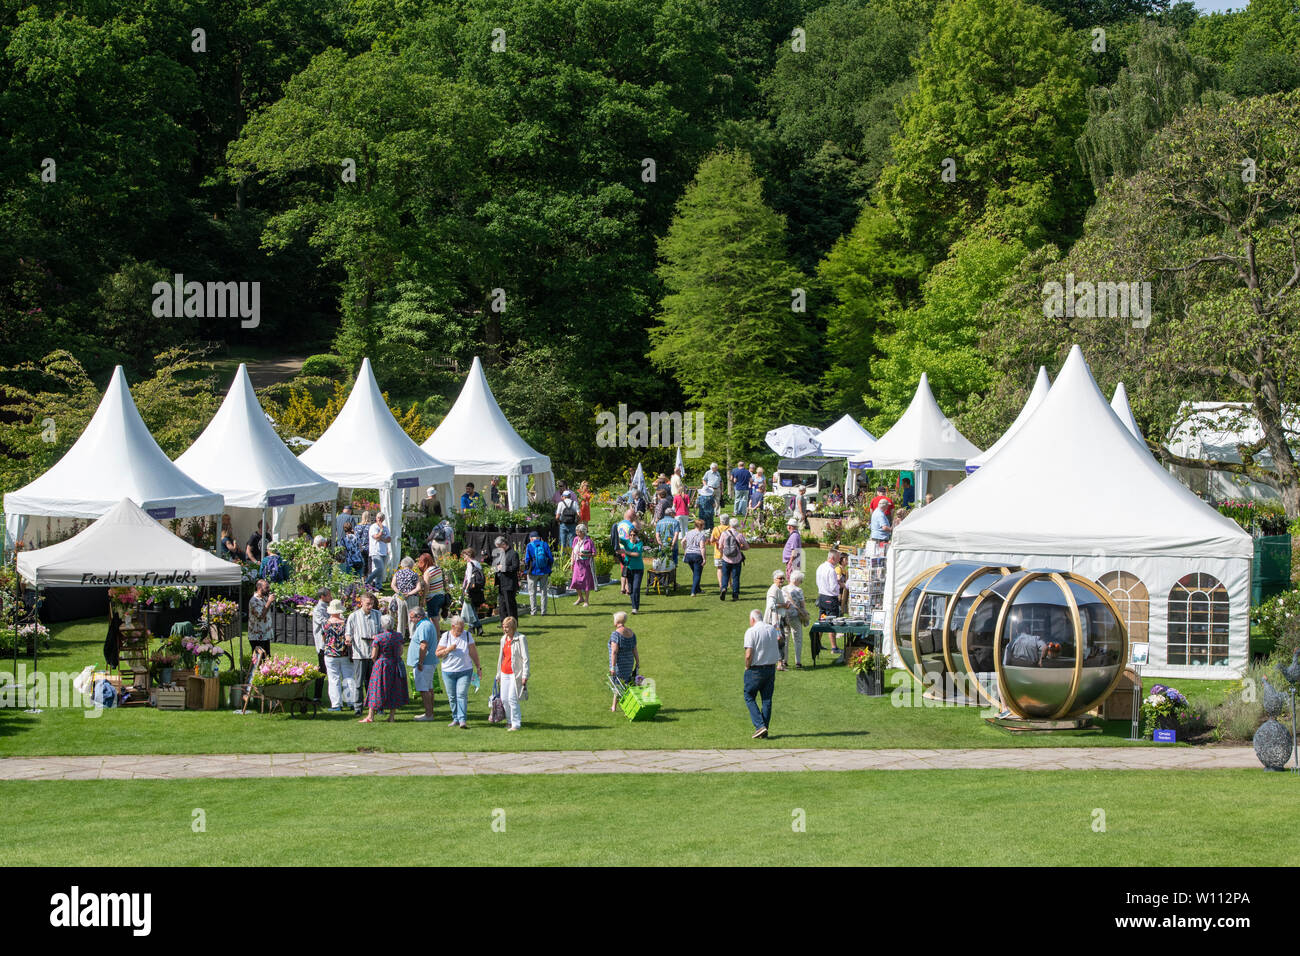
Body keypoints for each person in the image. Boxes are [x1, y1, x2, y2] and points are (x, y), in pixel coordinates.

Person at [360, 614, 408, 723]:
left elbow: (373, 655)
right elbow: (400, 652)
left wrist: (376, 662)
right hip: (395, 663)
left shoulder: (379, 637)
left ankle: (370, 716)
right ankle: (391, 717)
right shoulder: (398, 636)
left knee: (376, 688)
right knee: (394, 688)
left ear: (382, 625)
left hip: (382, 664)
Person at [436, 615, 481, 728]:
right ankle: (455, 718)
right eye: (459, 628)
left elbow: (473, 652)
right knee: (452, 696)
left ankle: (462, 720)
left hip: (465, 670)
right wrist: (449, 649)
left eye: (462, 628)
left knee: (461, 694)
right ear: (453, 626)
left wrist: (478, 667)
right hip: (448, 671)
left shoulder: (467, 635)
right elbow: (438, 654)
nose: (461, 631)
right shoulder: (445, 636)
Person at [743, 608, 781, 738]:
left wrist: (747, 667)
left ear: (753, 619)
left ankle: (760, 726)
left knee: (749, 695)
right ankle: (764, 729)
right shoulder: (771, 629)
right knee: (767, 699)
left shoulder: (751, 631)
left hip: (755, 669)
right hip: (770, 668)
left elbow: (748, 654)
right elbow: (779, 640)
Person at [347, 591, 382, 715]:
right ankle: (358, 708)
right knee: (358, 683)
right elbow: (348, 633)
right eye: (368, 604)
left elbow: (382, 632)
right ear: (361, 603)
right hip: (359, 654)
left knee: (374, 682)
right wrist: (348, 639)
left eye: (372, 604)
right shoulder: (354, 616)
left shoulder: (378, 615)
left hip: (374, 654)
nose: (370, 606)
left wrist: (377, 637)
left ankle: (376, 707)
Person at [496, 616, 530, 731]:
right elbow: (501, 658)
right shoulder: (503, 639)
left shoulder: (521, 638)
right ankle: (509, 721)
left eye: (507, 627)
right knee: (504, 699)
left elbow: (525, 658)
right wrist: (498, 675)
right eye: (504, 627)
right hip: (504, 673)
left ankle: (516, 723)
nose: (505, 630)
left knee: (512, 698)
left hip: (515, 674)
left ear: (513, 628)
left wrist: (525, 675)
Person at [322, 599, 356, 711]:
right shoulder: (345, 623)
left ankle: (337, 704)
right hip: (344, 653)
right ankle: (351, 702)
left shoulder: (326, 624)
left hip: (330, 654)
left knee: (333, 679)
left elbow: (323, 638)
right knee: (348, 677)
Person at [407, 606, 439, 721]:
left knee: (424, 689)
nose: (410, 620)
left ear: (418, 616)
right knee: (428, 688)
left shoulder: (424, 626)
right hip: (428, 662)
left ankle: (429, 714)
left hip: (424, 663)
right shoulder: (425, 624)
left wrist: (420, 662)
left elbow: (423, 645)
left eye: (412, 617)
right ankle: (429, 712)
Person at [608, 611, 640, 712]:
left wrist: (612, 667)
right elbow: (635, 649)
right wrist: (637, 663)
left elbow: (614, 652)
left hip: (619, 664)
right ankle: (614, 706)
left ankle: (627, 706)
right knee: (624, 684)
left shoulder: (615, 634)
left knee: (619, 685)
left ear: (617, 621)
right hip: (629, 662)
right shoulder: (631, 633)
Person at [765, 569, 792, 671]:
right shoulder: (773, 590)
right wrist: (784, 605)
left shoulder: (777, 589)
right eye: (780, 578)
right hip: (775, 621)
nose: (782, 580)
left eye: (783, 578)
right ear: (774, 579)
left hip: (778, 619)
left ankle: (779, 663)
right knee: (780, 640)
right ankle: (780, 664)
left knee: (779, 640)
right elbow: (771, 605)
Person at [815, 551, 842, 653]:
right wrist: (839, 585)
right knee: (832, 621)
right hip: (830, 598)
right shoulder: (831, 570)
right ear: (833, 558)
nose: (839, 560)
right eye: (838, 558)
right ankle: (834, 647)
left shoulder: (820, 567)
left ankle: (817, 643)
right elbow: (833, 587)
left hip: (822, 596)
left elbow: (818, 582)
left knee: (822, 620)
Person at [390, 556, 423, 638]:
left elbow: (393, 585)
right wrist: (409, 593)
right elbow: (418, 588)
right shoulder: (414, 574)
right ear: (412, 565)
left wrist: (401, 594)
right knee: (412, 618)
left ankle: (400, 636)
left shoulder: (398, 573)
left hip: (400, 598)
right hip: (412, 598)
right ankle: (413, 635)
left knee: (401, 617)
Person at [523, 530, 554, 616]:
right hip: (544, 571)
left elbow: (527, 560)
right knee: (544, 592)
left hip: (533, 572)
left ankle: (534, 611)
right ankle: (543, 611)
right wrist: (548, 568)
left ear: (531, 539)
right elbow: (551, 559)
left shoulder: (529, 546)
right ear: (539, 538)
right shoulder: (544, 544)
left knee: (532, 592)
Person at [718, 516, 747, 602]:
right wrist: (740, 549)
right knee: (736, 577)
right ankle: (735, 594)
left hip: (726, 558)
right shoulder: (739, 535)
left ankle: (723, 588)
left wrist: (723, 551)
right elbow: (747, 546)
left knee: (725, 575)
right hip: (736, 559)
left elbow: (720, 546)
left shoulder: (724, 534)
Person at [785, 570, 810, 669]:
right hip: (795, 616)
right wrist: (804, 613)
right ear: (796, 580)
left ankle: (784, 660)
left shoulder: (783, 589)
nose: (801, 583)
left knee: (786, 638)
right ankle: (798, 661)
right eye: (801, 581)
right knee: (797, 638)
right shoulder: (798, 590)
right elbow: (802, 605)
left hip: (785, 616)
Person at [311, 586, 332, 702]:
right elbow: (325, 623)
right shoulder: (318, 609)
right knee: (322, 671)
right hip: (322, 644)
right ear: (322, 596)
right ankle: (317, 696)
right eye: (329, 595)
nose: (331, 596)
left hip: (330, 643)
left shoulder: (328, 606)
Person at [492, 535, 520, 621]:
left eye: (499, 547)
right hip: (501, 583)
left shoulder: (513, 553)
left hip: (509, 583)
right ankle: (503, 623)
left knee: (510, 605)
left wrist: (504, 568)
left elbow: (516, 567)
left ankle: (513, 623)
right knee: (502, 605)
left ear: (504, 544)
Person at [460, 547, 486, 636]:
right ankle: (471, 628)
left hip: (471, 589)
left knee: (470, 608)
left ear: (468, 555)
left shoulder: (470, 564)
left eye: (464, 556)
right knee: (473, 608)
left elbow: (469, 578)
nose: (464, 558)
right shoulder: (478, 563)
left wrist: (466, 589)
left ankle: (478, 626)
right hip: (478, 589)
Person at [620, 527, 645, 614]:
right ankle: (634, 605)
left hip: (638, 569)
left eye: (634, 535)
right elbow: (617, 539)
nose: (632, 537)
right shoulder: (626, 542)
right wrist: (614, 531)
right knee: (630, 589)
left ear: (636, 535)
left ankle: (635, 608)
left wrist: (625, 552)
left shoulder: (639, 543)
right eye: (630, 535)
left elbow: (637, 554)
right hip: (629, 569)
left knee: (636, 588)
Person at [570, 523, 596, 606]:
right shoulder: (575, 539)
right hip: (577, 563)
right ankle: (580, 597)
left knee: (586, 582)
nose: (578, 534)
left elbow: (594, 553)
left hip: (585, 564)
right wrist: (572, 562)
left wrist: (585, 555)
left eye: (579, 532)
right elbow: (573, 552)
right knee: (575, 581)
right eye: (577, 532)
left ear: (584, 532)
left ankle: (586, 601)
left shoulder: (589, 541)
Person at [247, 578, 273, 657]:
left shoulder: (264, 598)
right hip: (257, 636)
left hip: (265, 634)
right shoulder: (254, 601)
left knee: (267, 657)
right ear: (259, 588)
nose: (268, 590)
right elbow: (260, 616)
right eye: (266, 588)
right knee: (259, 659)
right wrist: (269, 602)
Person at [681, 518, 707, 596]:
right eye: (703, 525)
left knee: (695, 572)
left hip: (688, 555)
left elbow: (682, 541)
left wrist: (685, 549)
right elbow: (702, 547)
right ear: (701, 526)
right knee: (697, 574)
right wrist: (704, 558)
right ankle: (693, 591)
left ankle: (698, 589)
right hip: (697, 555)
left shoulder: (689, 532)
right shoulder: (701, 535)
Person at [367, 514, 391, 588]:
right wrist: (381, 530)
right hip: (375, 551)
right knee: (379, 568)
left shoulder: (386, 528)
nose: (380, 519)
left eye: (381, 518)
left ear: (383, 519)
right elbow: (376, 537)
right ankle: (367, 581)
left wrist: (382, 539)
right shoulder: (373, 527)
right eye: (378, 517)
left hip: (383, 551)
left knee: (381, 571)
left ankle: (378, 586)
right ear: (376, 518)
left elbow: (389, 539)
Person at [421, 554, 448, 621]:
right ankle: (436, 631)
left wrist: (423, 598)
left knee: (433, 619)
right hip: (441, 595)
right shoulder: (438, 568)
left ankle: (436, 632)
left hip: (432, 597)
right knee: (436, 617)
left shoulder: (428, 572)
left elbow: (427, 587)